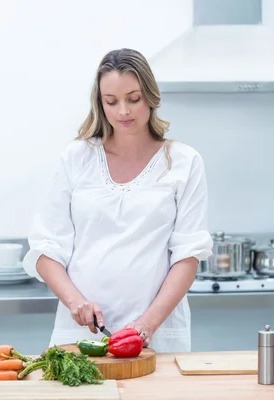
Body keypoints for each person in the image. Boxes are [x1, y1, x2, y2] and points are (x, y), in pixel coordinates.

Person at [22, 48, 213, 353]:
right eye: (111, 101)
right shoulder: (77, 157)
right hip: (80, 333)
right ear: (100, 103)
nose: (123, 111)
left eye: (133, 99)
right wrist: (76, 302)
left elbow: (187, 256)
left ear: (151, 96)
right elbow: (46, 250)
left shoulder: (183, 161)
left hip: (158, 333)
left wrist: (146, 325)